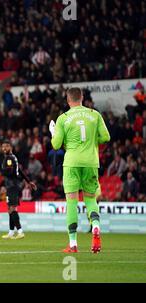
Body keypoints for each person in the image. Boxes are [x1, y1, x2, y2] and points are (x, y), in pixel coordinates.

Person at [49, 87, 110, 253]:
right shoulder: (94, 114)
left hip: (72, 163)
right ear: (82, 97)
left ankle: (73, 244)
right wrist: (90, 141)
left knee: (72, 203)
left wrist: (53, 132)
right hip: (91, 162)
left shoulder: (63, 118)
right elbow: (106, 137)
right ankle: (96, 226)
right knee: (90, 200)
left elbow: (56, 145)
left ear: (68, 100)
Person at [0, 140, 36, 240]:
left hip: (13, 186)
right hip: (11, 185)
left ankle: (20, 231)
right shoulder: (11, 157)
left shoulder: (9, 158)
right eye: (3, 147)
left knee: (12, 209)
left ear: (10, 147)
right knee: (9, 209)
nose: (4, 148)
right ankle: (11, 232)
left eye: (6, 146)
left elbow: (9, 173)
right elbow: (20, 171)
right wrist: (29, 181)